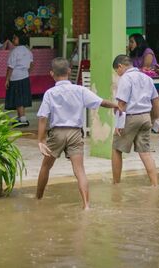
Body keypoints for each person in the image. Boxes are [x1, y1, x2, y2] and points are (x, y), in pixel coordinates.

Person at [36, 58, 119, 210]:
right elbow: (101, 102)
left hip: (57, 133)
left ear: (51, 74)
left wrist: (41, 140)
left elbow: (43, 117)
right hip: (75, 133)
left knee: (46, 167)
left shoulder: (50, 93)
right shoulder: (80, 90)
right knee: (79, 170)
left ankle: (38, 199)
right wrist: (116, 105)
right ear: (69, 71)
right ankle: (86, 205)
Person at [111, 55, 159, 186]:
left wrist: (118, 124)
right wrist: (156, 118)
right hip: (145, 117)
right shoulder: (146, 78)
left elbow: (121, 103)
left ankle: (116, 183)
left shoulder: (125, 78)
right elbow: (156, 100)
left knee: (116, 148)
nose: (118, 74)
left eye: (117, 71)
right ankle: (155, 184)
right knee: (145, 152)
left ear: (120, 66)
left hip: (131, 117)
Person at [5, 32, 34, 127]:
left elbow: (10, 67)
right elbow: (31, 64)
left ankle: (22, 119)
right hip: (25, 77)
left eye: (15, 38)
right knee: (22, 99)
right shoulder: (28, 51)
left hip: (15, 78)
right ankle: (21, 117)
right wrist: (27, 73)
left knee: (18, 99)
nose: (13, 40)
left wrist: (7, 79)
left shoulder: (15, 51)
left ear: (20, 39)